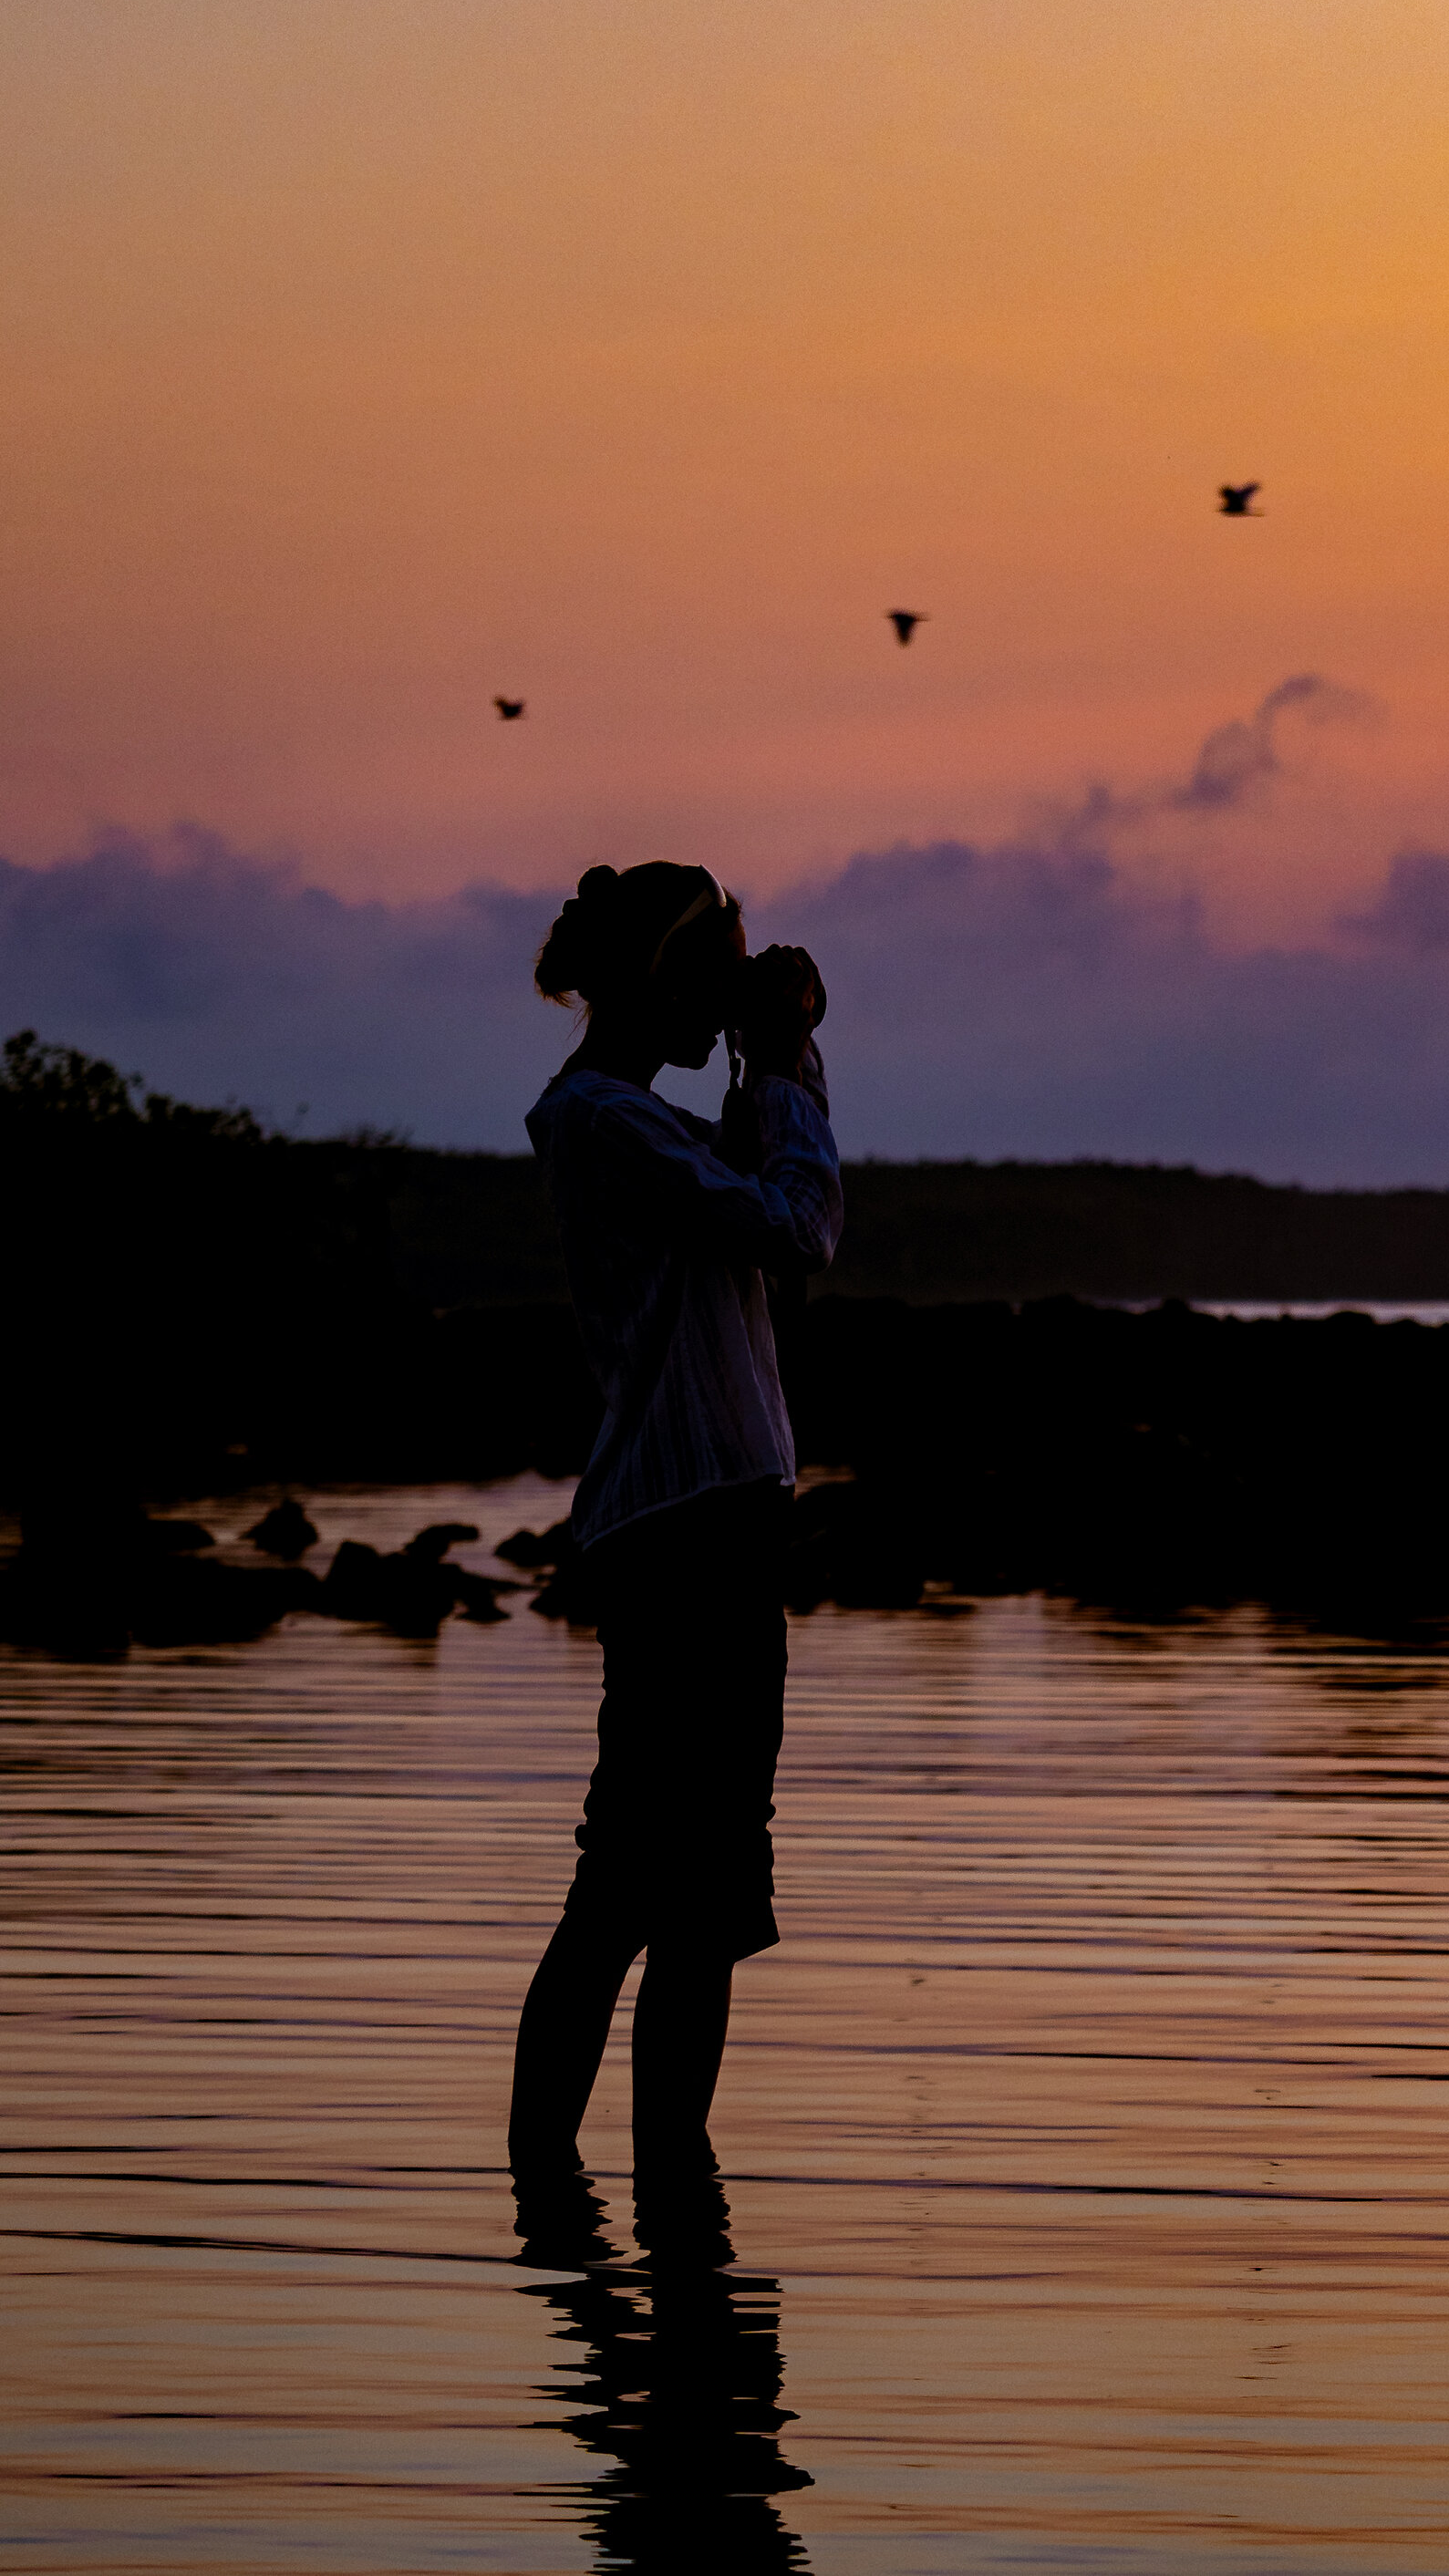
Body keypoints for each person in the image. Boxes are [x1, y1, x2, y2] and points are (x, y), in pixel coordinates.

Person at [508, 860, 840, 2171]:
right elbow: (798, 1223)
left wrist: (773, 1059)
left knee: (702, 1896)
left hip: (718, 1525)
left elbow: (766, 1195)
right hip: (681, 1533)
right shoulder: (603, 1122)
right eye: (704, 974)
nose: (718, 1004)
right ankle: (557, 2197)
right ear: (655, 977)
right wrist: (790, 1053)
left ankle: (666, 2209)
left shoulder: (644, 1126)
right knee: (630, 1884)